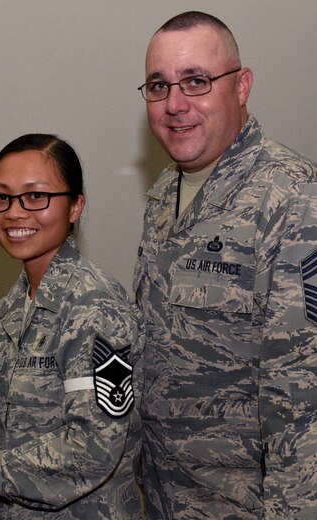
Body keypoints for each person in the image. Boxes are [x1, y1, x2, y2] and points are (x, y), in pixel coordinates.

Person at [134, 11, 317, 519]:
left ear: (242, 86)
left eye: (196, 81)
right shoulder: (164, 197)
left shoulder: (292, 198)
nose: (175, 104)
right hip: (165, 499)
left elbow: (304, 401)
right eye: (158, 85)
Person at [0, 134, 144, 518]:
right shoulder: (14, 305)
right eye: (1, 197)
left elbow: (92, 449)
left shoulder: (94, 308)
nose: (15, 213)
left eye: (36, 196)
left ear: (75, 206)